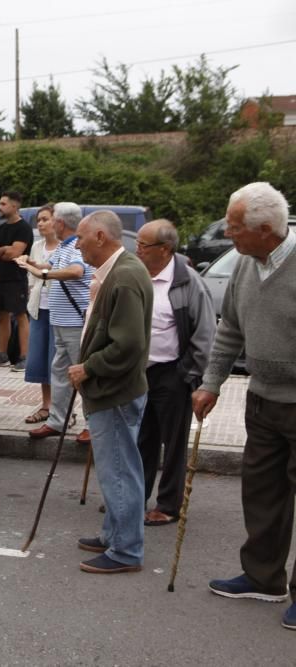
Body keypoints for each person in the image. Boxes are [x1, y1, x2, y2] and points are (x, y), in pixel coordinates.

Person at [194, 183, 296, 630]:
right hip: (262, 400)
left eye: (236, 229)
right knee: (262, 493)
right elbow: (230, 328)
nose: (229, 235)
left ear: (267, 229)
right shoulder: (245, 265)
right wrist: (211, 382)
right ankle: (264, 577)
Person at [67, 210, 153, 574]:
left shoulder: (124, 277)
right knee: (116, 468)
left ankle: (125, 551)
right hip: (115, 389)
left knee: (119, 471)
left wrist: (89, 367)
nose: (77, 245)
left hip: (115, 391)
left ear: (101, 237)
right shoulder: (122, 271)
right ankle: (114, 535)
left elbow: (128, 344)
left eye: (82, 239)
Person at [134, 219, 215, 526]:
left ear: (164, 249)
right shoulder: (138, 274)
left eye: (143, 245)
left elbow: (206, 333)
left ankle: (168, 505)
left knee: (173, 441)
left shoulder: (187, 282)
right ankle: (135, 496)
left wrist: (191, 374)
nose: (137, 249)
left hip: (173, 372)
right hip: (140, 373)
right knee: (142, 438)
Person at [18, 202, 93, 445]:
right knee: (59, 372)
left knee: (83, 375)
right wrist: (32, 264)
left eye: (53, 220)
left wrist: (44, 275)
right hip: (60, 322)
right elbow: (49, 266)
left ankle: (93, 425)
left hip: (74, 323)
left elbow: (76, 272)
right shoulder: (64, 247)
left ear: (60, 223)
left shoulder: (77, 247)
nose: (49, 224)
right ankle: (57, 421)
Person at [20, 205, 60, 424]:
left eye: (45, 219)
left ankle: (63, 409)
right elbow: (32, 278)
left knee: (59, 361)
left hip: (61, 312)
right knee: (41, 359)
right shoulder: (36, 246)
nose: (41, 223)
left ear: (57, 221)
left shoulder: (66, 247)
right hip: (38, 309)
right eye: (39, 220)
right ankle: (46, 405)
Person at [0, 190, 34, 371]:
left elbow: (14, 254)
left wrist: (3, 251)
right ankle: (2, 354)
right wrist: (3, 250)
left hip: (17, 279)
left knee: (20, 315)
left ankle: (24, 356)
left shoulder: (23, 228)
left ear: (14, 206)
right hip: (0, 278)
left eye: (3, 204)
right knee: (2, 315)